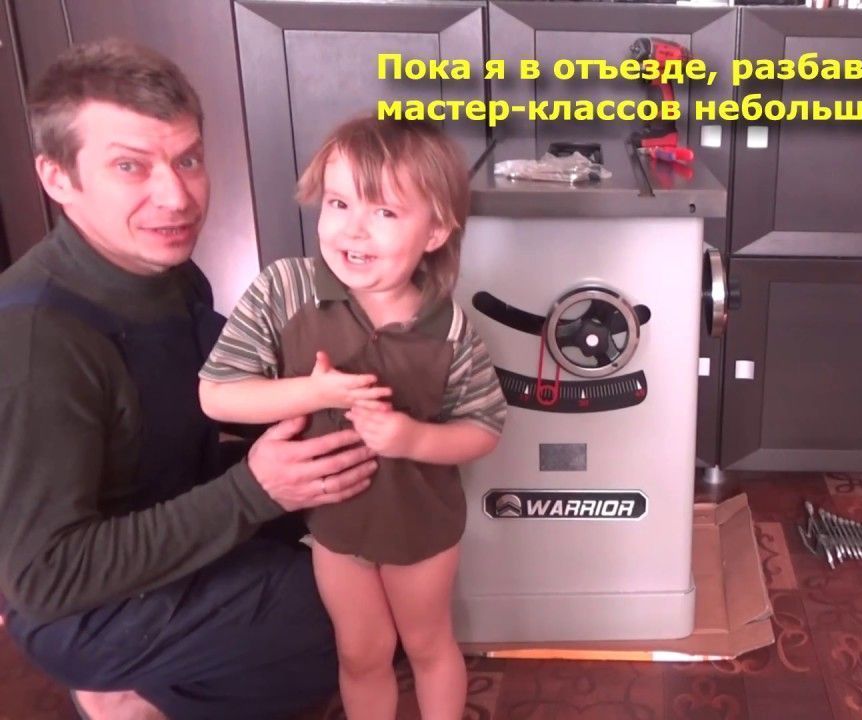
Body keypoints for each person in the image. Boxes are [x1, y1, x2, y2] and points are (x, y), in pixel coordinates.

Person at [0, 39, 380, 719]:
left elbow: (225, 384)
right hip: (80, 603)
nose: (176, 197)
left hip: (167, 506)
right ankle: (126, 696)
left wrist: (355, 373)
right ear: (57, 177)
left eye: (188, 160)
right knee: (340, 621)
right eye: (130, 166)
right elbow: (45, 578)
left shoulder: (169, 275)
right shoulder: (38, 343)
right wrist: (255, 490)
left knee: (371, 521)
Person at [198, 115, 506, 719]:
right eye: (339, 203)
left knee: (428, 646)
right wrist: (313, 393)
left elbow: (483, 428)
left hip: (420, 529)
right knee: (361, 655)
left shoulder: (448, 327)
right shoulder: (284, 291)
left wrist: (411, 437)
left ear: (435, 230)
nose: (353, 229)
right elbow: (218, 396)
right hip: (334, 530)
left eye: (385, 211)